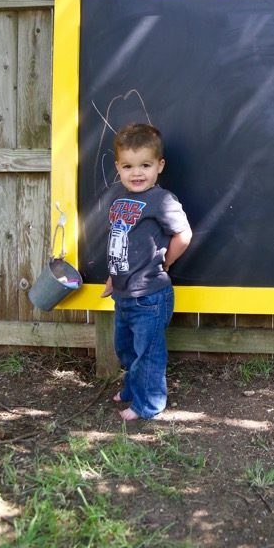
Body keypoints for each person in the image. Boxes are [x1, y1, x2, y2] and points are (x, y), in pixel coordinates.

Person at [101, 123, 192, 421]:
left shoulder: (162, 200)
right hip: (124, 293)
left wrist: (165, 264)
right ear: (118, 167)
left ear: (159, 165)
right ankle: (132, 387)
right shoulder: (118, 198)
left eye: (145, 165)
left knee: (148, 353)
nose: (136, 173)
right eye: (128, 166)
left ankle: (149, 404)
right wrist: (113, 277)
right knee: (125, 349)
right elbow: (122, 243)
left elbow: (183, 235)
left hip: (150, 296)